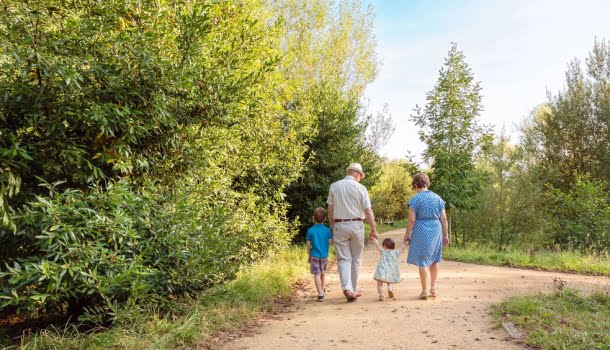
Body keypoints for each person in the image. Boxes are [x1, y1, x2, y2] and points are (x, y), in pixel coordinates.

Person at [327, 163, 377, 302]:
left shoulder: (334, 186)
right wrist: (373, 229)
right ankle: (353, 289)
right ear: (357, 174)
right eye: (360, 176)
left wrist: (333, 226)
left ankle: (347, 288)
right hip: (356, 225)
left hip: (339, 225)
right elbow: (368, 211)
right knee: (356, 258)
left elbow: (330, 209)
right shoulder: (361, 188)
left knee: (343, 259)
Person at [403, 173, 449, 300]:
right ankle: (433, 289)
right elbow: (444, 219)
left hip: (421, 229)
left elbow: (412, 219)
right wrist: (446, 234)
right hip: (436, 229)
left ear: (416, 184)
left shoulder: (415, 199)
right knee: (435, 259)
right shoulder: (438, 198)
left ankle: (424, 291)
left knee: (423, 260)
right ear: (427, 183)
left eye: (414, 186)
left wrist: (407, 234)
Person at [306, 207, 333, 302]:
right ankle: (322, 288)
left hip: (314, 255)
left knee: (316, 275)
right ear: (325, 218)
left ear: (314, 218)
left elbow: (308, 245)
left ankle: (320, 293)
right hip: (324, 256)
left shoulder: (310, 230)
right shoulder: (327, 230)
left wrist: (309, 255)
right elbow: (330, 242)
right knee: (323, 273)